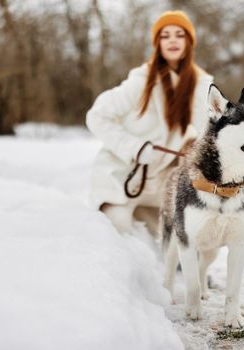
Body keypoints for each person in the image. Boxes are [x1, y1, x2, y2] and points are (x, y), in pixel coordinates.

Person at [86, 10, 214, 234]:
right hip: (121, 176)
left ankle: (188, 266)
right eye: (165, 36)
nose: (172, 40)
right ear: (157, 44)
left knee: (182, 237)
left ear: (189, 42)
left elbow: (214, 130)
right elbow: (96, 116)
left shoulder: (198, 86)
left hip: (159, 183)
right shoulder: (141, 80)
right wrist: (133, 147)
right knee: (118, 230)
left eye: (179, 34)